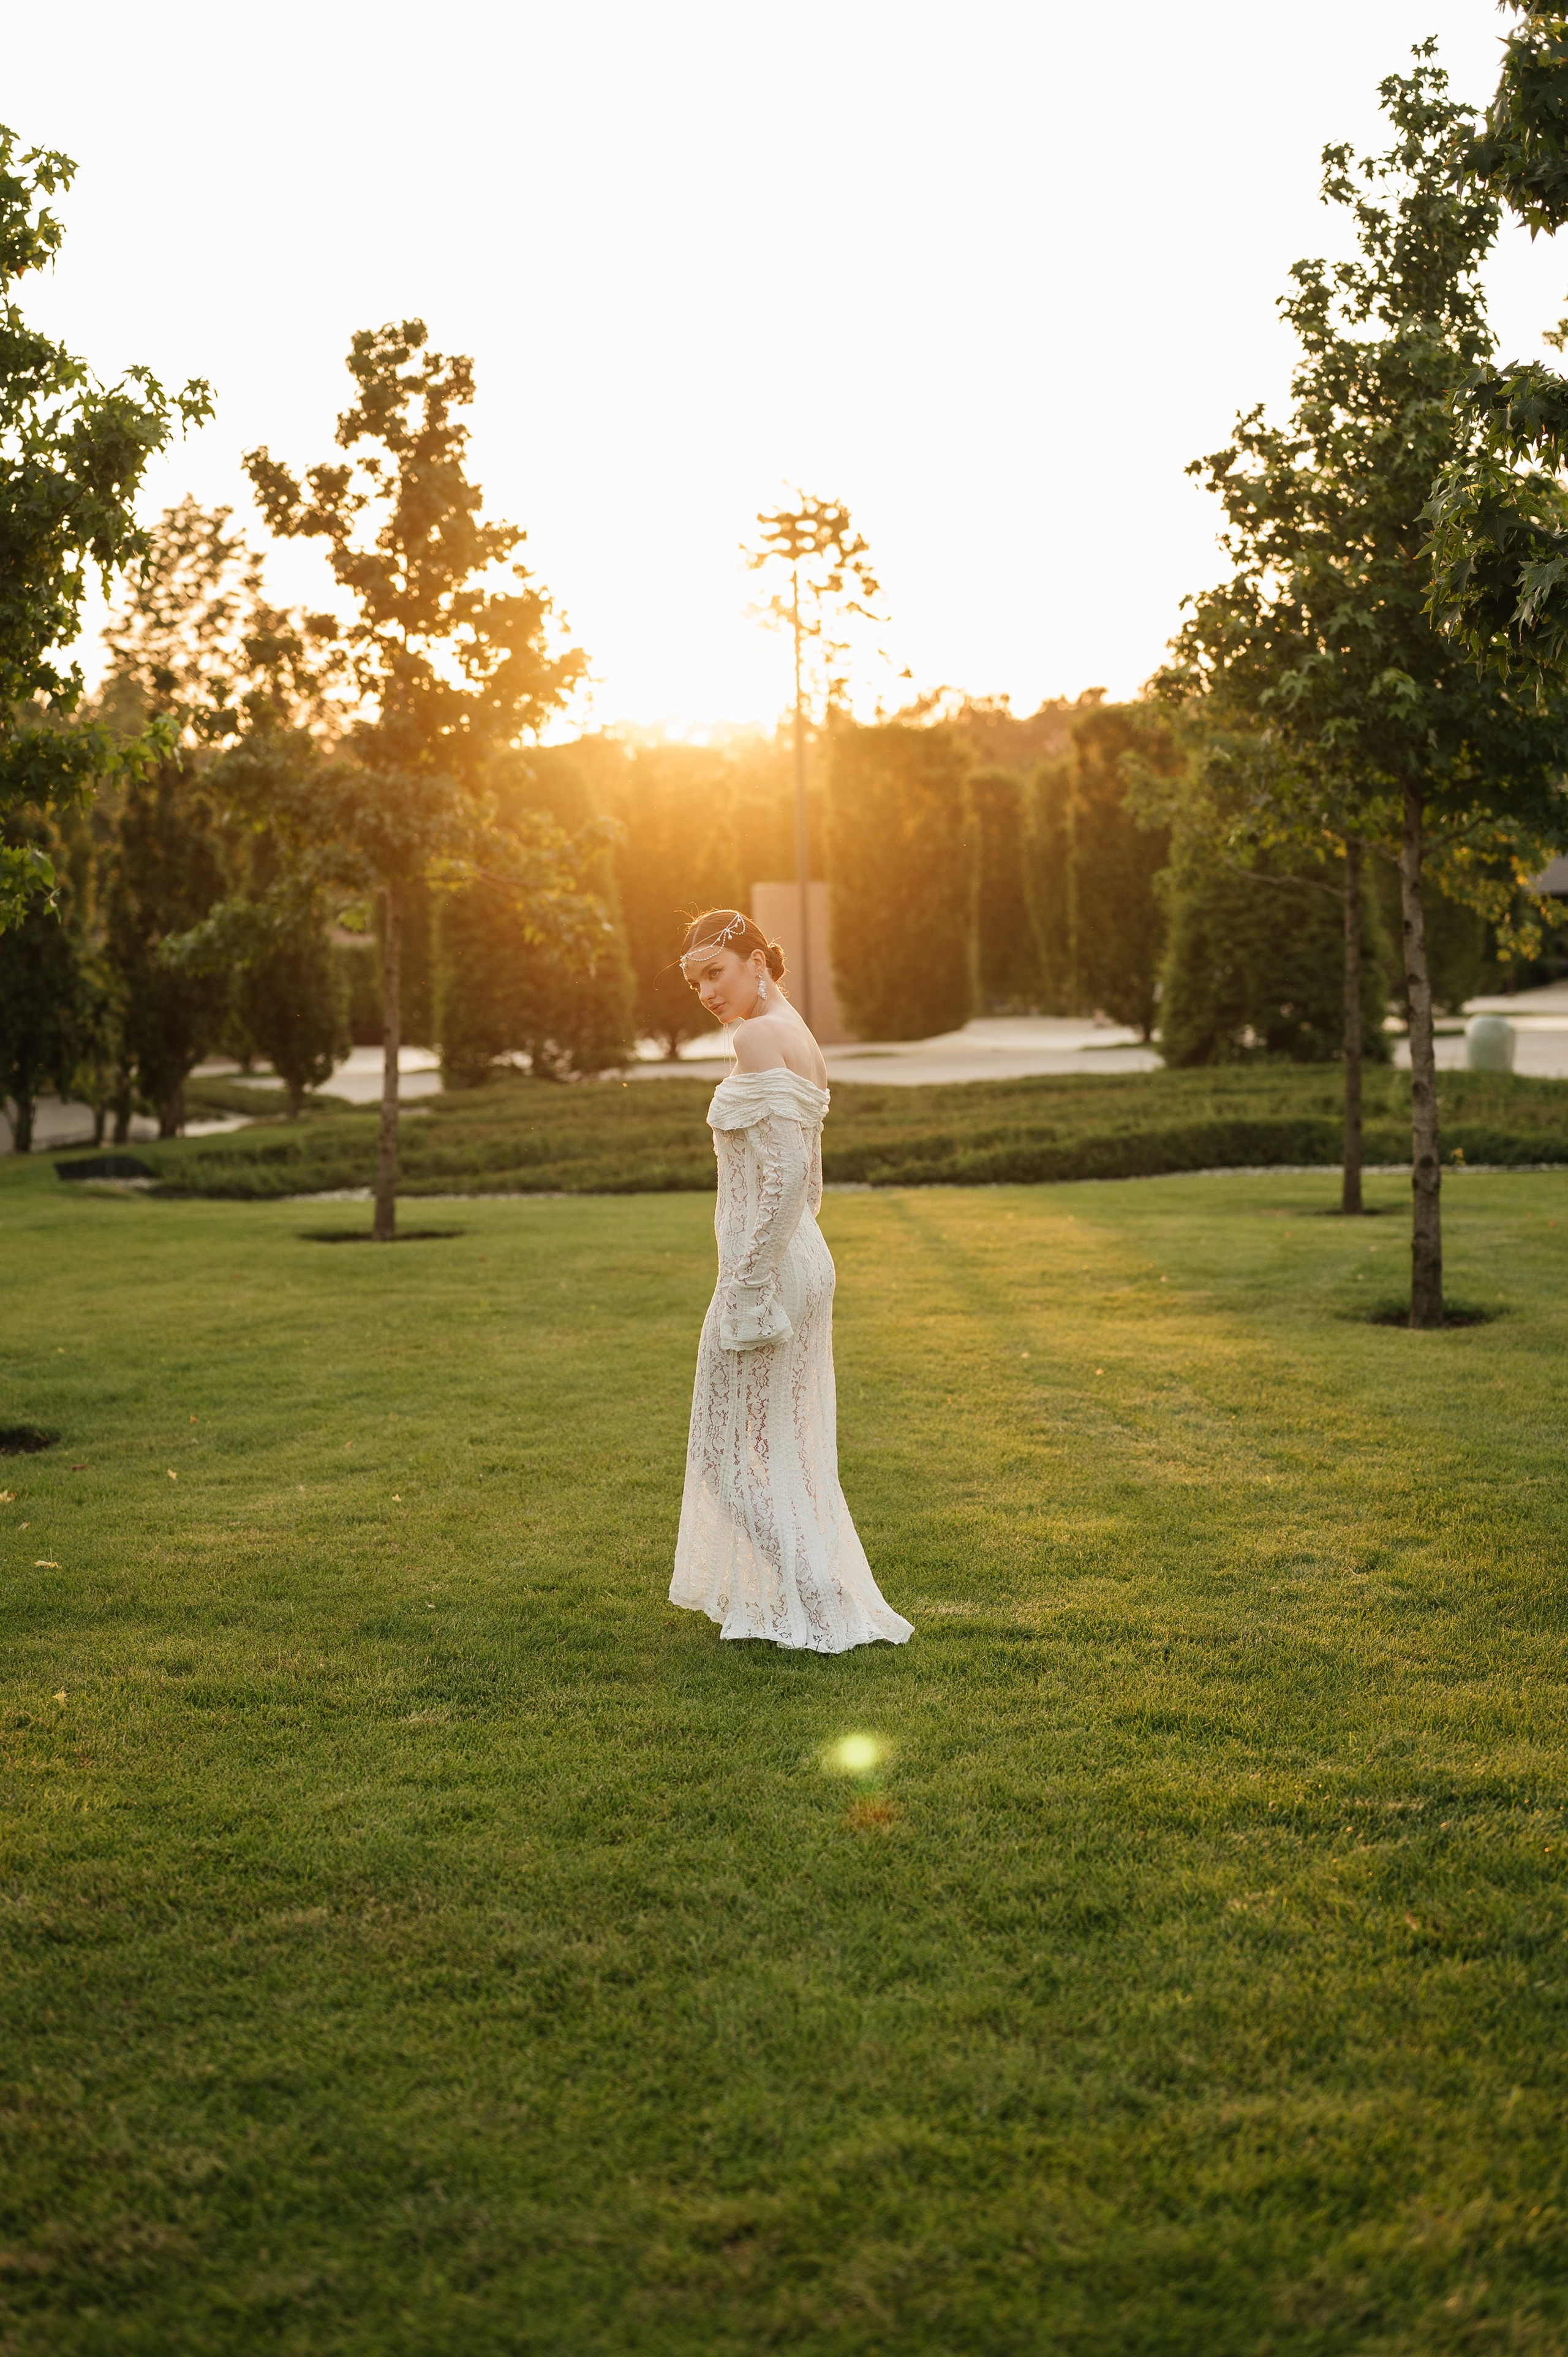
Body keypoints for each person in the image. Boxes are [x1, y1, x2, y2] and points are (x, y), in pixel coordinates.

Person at [668, 908, 913, 1653]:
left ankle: (821, 1596)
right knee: (780, 1441)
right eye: (694, 981)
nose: (707, 991)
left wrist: (747, 1285)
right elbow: (810, 1184)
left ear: (754, 961)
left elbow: (783, 1182)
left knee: (723, 1450)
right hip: (799, 1260)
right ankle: (818, 1589)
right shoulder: (799, 1034)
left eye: (716, 971)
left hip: (767, 1270)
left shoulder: (755, 1035)